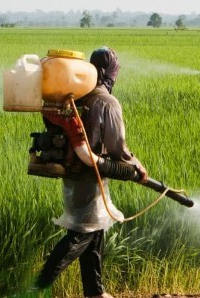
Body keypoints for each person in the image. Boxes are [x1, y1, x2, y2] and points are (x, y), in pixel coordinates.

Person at [34, 46, 148, 298]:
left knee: (94, 228)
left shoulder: (77, 95)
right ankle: (36, 287)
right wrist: (136, 168)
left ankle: (95, 292)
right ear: (111, 73)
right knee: (81, 234)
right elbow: (119, 149)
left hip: (75, 168)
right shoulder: (106, 101)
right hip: (89, 170)